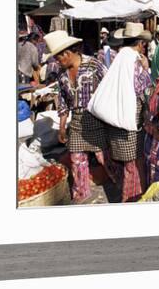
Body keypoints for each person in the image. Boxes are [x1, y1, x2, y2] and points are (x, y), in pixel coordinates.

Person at [44, 30, 116, 203]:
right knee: (77, 160)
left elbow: (110, 87)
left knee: (104, 157)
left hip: (97, 119)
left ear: (67, 54)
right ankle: (81, 194)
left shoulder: (93, 65)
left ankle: (118, 184)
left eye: (57, 58)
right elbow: (62, 102)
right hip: (76, 122)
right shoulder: (62, 76)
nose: (56, 62)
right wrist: (62, 127)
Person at [102, 22, 153, 202]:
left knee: (125, 165)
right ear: (139, 43)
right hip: (131, 123)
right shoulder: (136, 63)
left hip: (115, 120)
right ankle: (131, 199)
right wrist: (147, 70)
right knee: (133, 164)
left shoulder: (118, 59)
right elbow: (146, 93)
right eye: (143, 44)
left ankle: (126, 193)